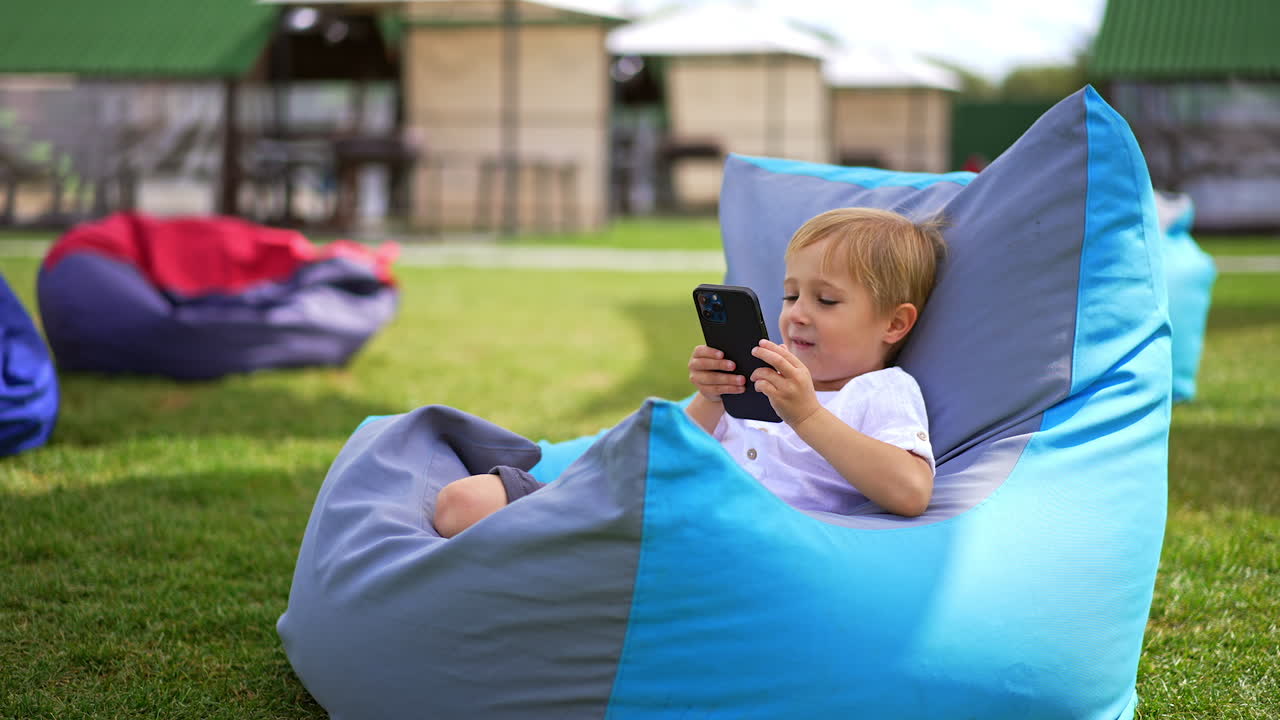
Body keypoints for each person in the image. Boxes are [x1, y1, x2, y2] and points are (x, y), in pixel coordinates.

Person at [432, 207, 946, 537]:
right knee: (462, 503)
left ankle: (553, 554)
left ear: (894, 324)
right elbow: (668, 454)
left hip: (723, 534)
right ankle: (554, 537)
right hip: (659, 505)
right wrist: (711, 399)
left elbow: (909, 492)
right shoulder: (759, 375)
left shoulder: (882, 390)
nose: (797, 313)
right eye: (791, 294)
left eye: (827, 300)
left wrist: (807, 414)